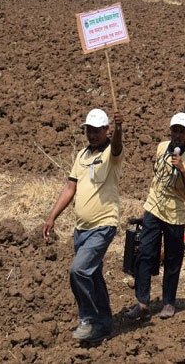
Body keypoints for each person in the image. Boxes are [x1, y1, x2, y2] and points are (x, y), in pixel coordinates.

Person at [43, 108, 124, 342]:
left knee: (78, 270)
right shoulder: (82, 156)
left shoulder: (111, 152)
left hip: (103, 224)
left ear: (106, 130)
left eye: (96, 131)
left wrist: (119, 129)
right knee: (93, 274)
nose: (91, 135)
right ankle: (105, 323)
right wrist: (52, 216)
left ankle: (87, 319)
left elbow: (117, 146)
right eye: (88, 130)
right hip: (81, 230)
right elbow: (70, 188)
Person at [126, 112, 185, 320]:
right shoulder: (161, 148)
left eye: (181, 131)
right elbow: (157, 177)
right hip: (154, 208)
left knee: (172, 259)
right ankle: (142, 302)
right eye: (174, 130)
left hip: (175, 214)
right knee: (144, 254)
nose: (177, 135)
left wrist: (183, 171)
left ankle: (168, 302)